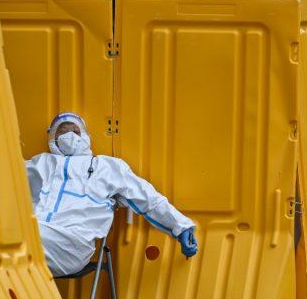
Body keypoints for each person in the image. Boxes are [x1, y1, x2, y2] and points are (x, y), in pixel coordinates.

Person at [25, 112, 198, 277]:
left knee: (13, 241)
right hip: (37, 235)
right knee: (7, 241)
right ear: (53, 137)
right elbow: (6, 176)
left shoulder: (106, 167)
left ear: (85, 136)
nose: (69, 135)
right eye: (62, 131)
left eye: (75, 131)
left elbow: (147, 197)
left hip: (72, 244)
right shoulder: (40, 163)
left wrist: (181, 226)